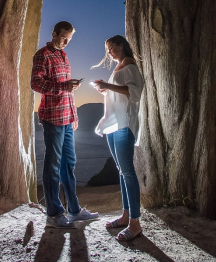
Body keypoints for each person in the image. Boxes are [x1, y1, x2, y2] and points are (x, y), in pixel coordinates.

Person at [31, 21, 99, 228]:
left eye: (69, 39)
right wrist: (63, 86)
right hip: (52, 118)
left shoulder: (63, 55)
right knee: (52, 166)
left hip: (68, 118)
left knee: (68, 164)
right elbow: (36, 83)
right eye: (63, 37)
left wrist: (75, 115)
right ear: (53, 34)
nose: (66, 42)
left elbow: (65, 90)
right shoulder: (42, 54)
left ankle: (74, 211)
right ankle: (53, 215)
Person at [92, 35, 144, 241]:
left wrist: (109, 85)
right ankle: (125, 216)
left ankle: (135, 223)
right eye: (108, 49)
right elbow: (117, 95)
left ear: (122, 46)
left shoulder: (130, 65)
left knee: (128, 172)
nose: (109, 52)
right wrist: (105, 89)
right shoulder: (118, 67)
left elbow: (135, 92)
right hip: (113, 123)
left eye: (112, 47)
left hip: (124, 124)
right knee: (122, 172)